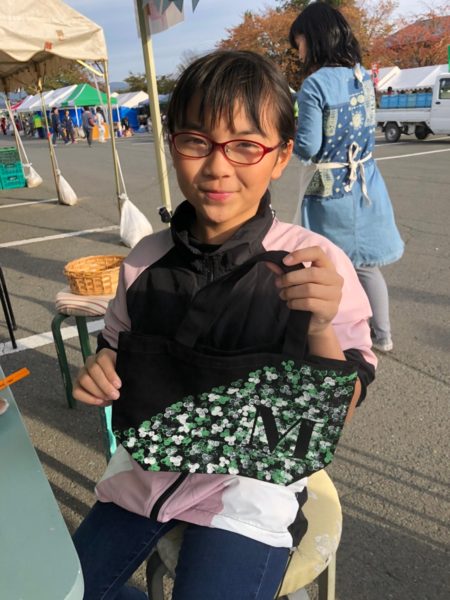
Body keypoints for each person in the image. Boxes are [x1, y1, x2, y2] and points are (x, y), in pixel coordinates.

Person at [72, 50, 376, 600]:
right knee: (59, 588)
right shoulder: (144, 261)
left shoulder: (315, 264)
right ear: (173, 145)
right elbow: (116, 346)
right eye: (196, 141)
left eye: (245, 145)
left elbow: (344, 404)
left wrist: (320, 326)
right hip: (146, 468)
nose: (217, 166)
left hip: (251, 492)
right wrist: (103, 366)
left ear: (281, 156)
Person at [289, 3, 404, 352]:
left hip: (331, 189)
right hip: (366, 181)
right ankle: (382, 334)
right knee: (366, 266)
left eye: (299, 42)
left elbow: (308, 146)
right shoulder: (362, 76)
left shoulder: (315, 85)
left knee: (331, 264)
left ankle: (341, 335)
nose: (298, 51)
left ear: (314, 39)